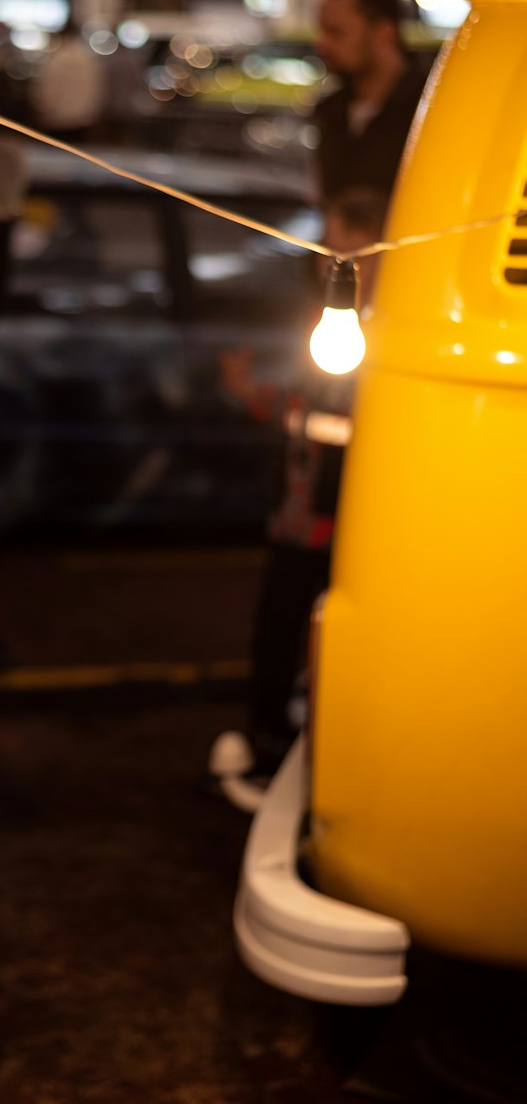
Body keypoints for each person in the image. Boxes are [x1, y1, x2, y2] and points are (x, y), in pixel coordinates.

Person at [218, 186, 388, 774]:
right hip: (299, 516)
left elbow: (345, 424)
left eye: (345, 251)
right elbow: (302, 407)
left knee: (326, 637)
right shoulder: (328, 327)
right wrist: (250, 393)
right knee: (278, 631)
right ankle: (271, 736)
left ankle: (308, 746)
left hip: (341, 525)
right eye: (327, 250)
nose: (330, 263)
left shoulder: (381, 336)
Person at [313, 0, 428, 201]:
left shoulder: (430, 109)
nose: (322, 46)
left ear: (385, 30)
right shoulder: (331, 112)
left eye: (336, 32)